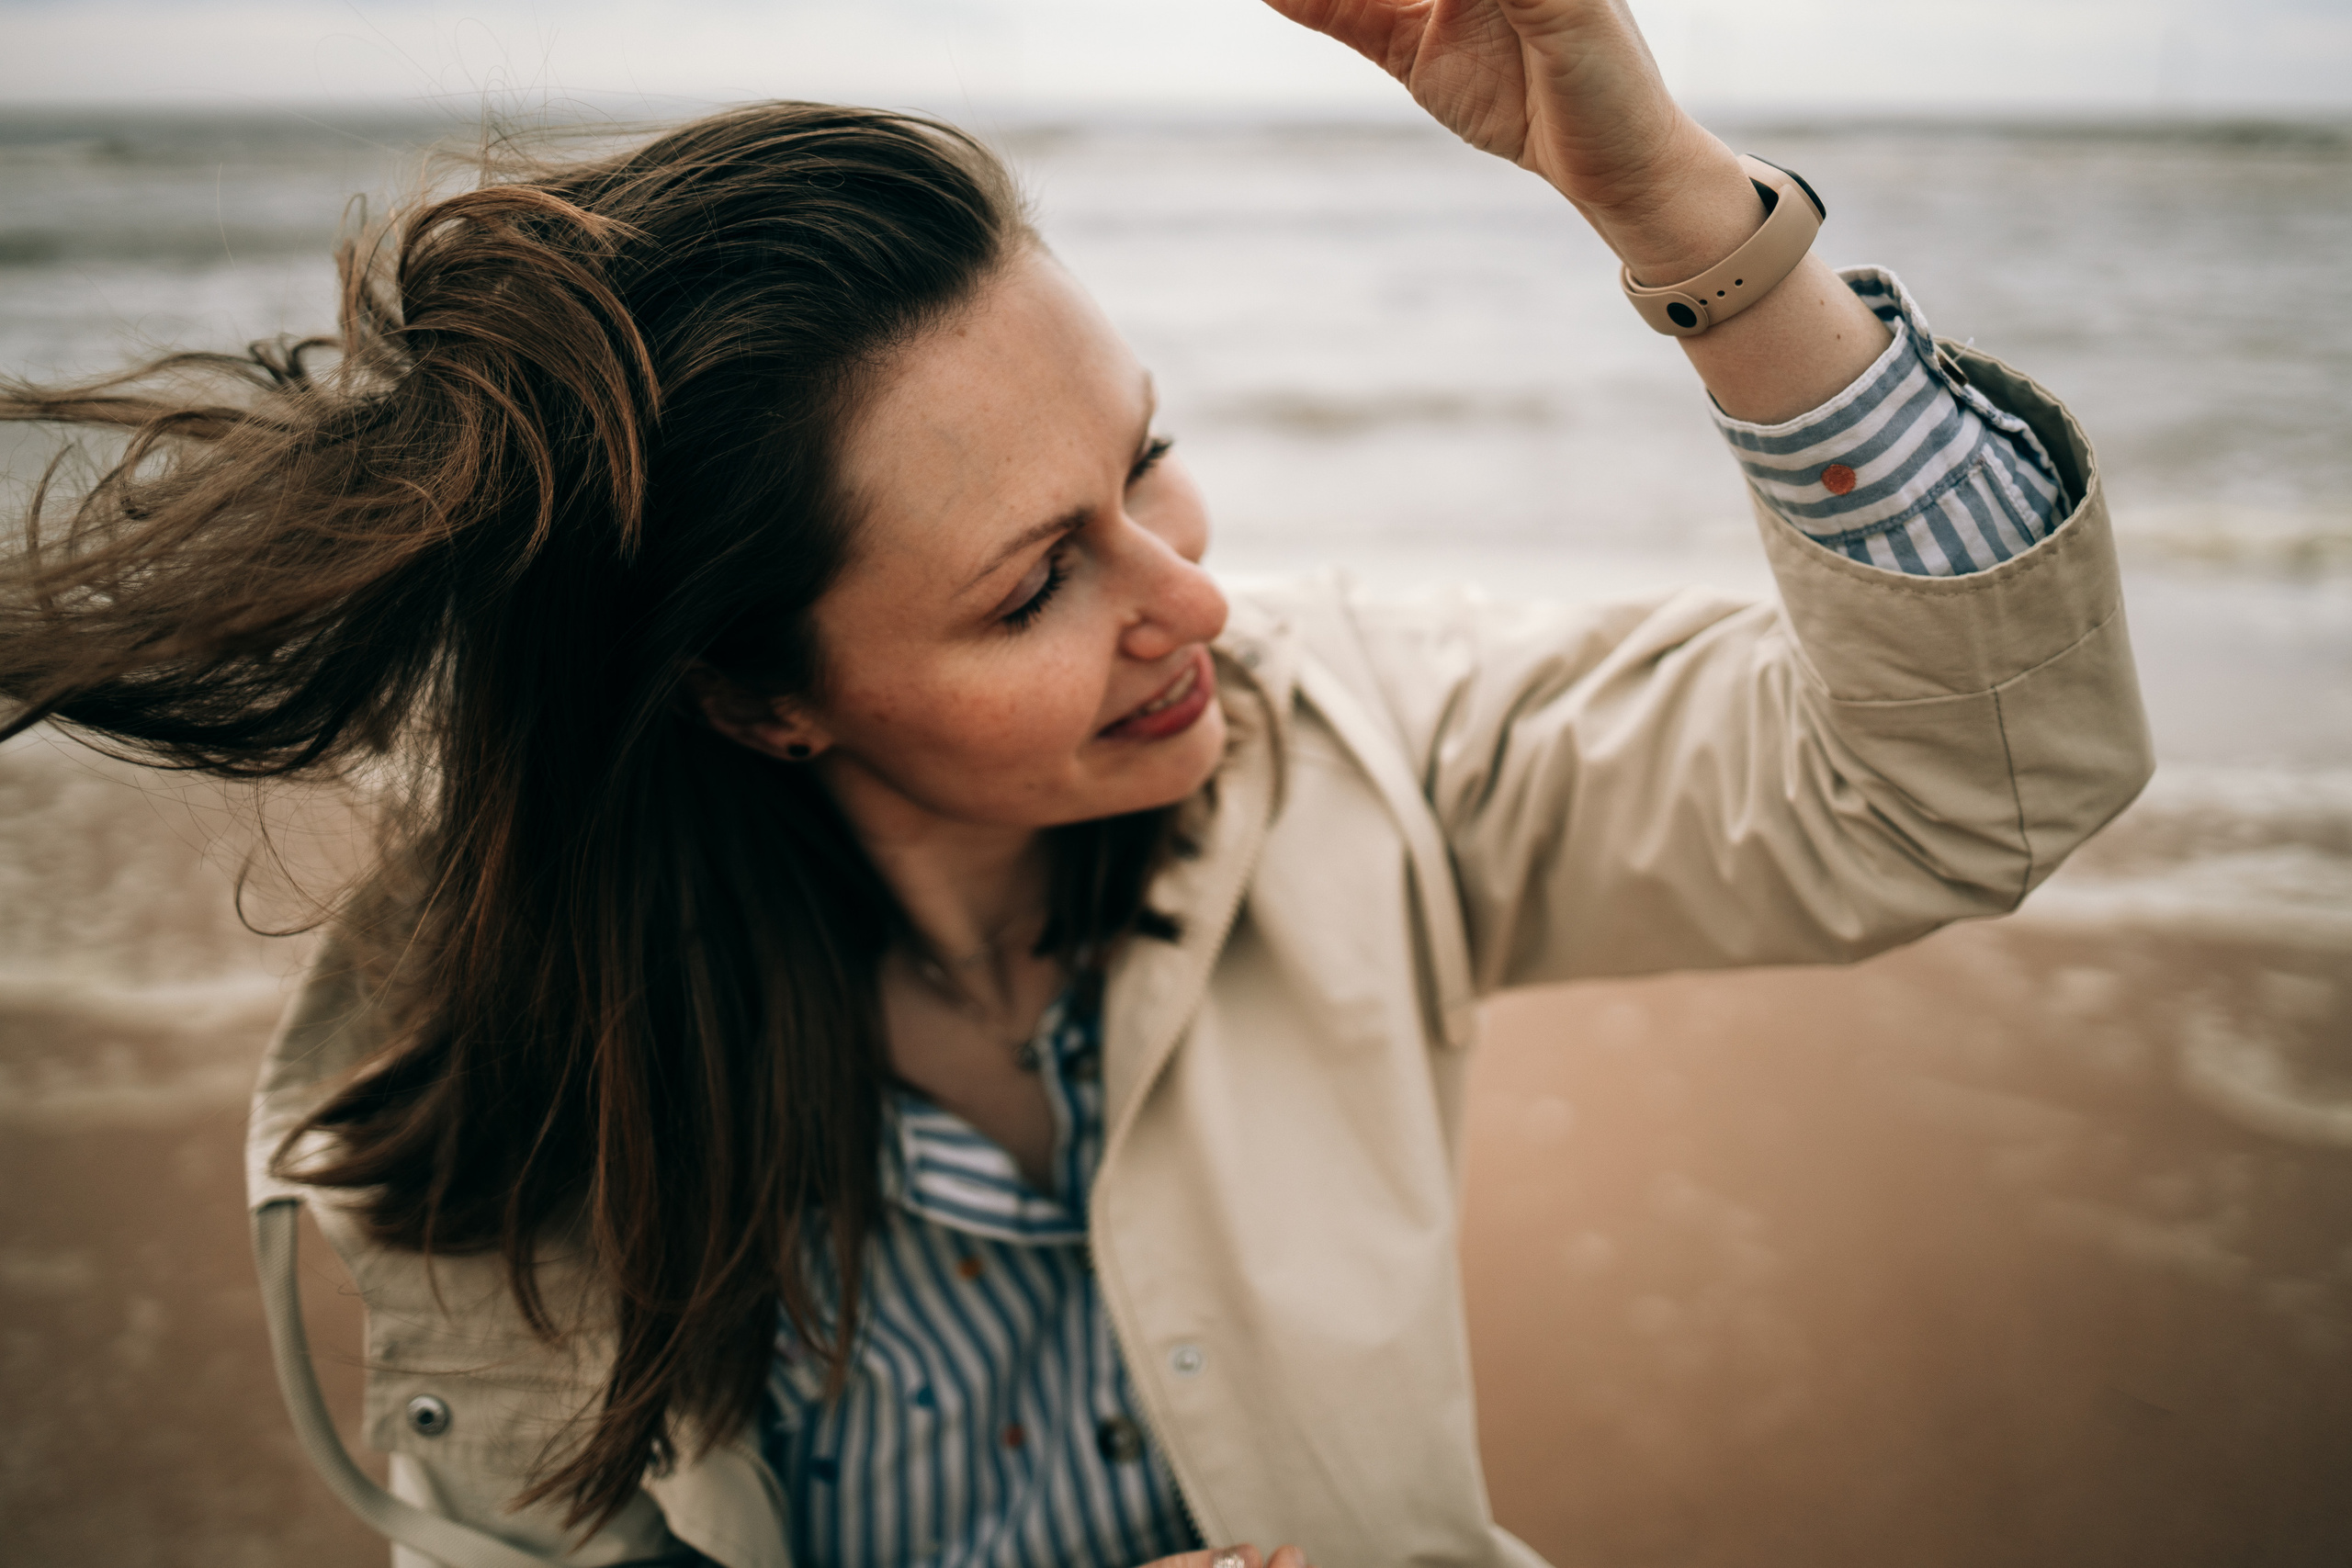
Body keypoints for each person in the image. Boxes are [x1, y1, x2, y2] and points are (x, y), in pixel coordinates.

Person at [0, 2, 2152, 1565]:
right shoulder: (490, 1069)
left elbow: (1958, 777)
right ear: (762, 695)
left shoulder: (1363, 748)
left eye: (1141, 461)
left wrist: (1684, 214)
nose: (1188, 605)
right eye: (1037, 582)